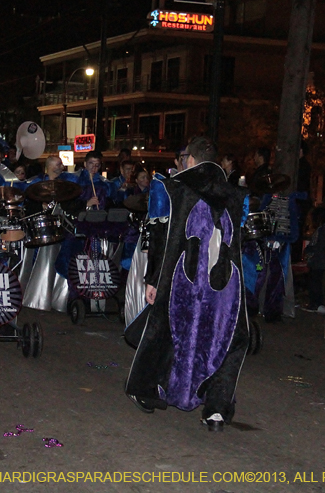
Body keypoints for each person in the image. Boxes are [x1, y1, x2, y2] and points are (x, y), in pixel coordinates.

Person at [125, 136, 249, 432]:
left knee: (169, 333)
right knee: (221, 339)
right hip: (224, 286)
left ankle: (150, 390)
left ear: (190, 160)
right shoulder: (236, 194)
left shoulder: (173, 189)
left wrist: (153, 279)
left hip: (183, 281)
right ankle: (216, 408)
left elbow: (162, 240)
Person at [303, 207, 325, 312]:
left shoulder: (321, 230)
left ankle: (315, 304)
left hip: (317, 261)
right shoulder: (321, 229)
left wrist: (309, 249)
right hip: (318, 261)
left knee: (315, 283)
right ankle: (316, 303)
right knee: (316, 282)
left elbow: (319, 246)